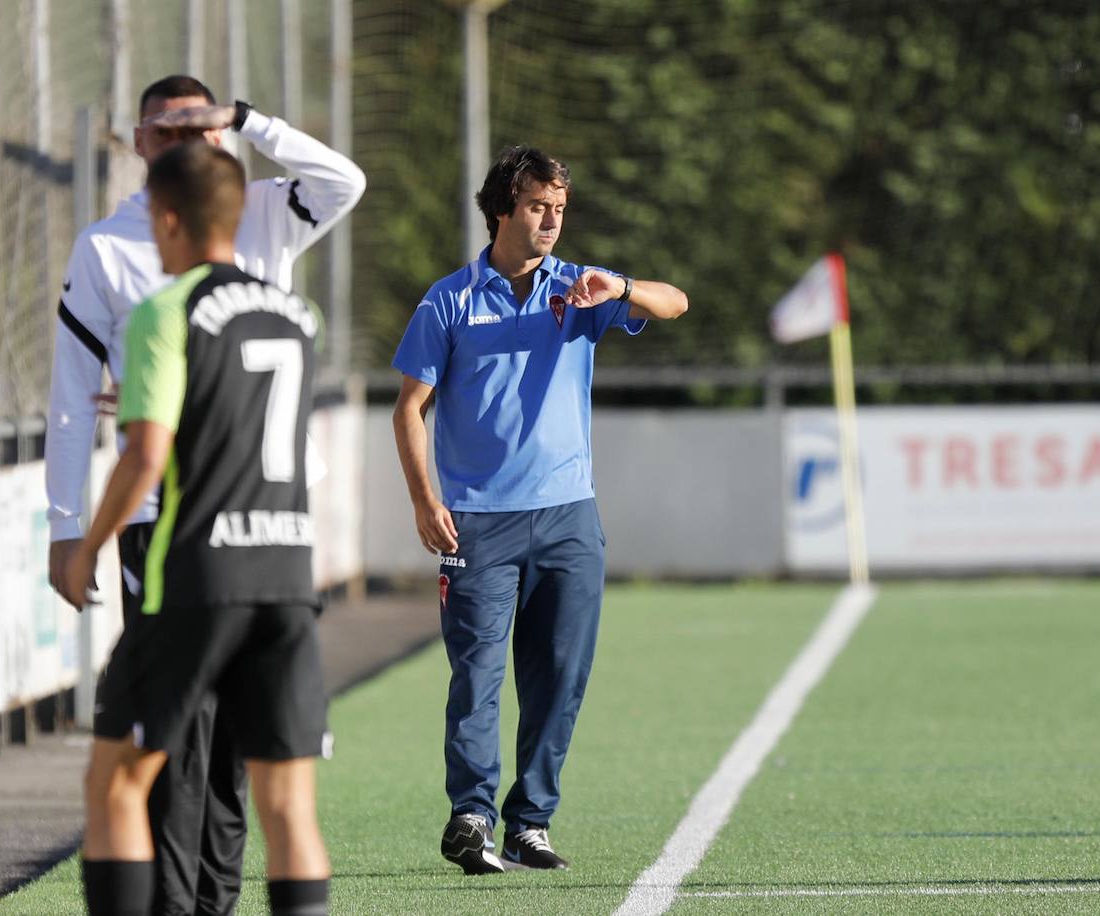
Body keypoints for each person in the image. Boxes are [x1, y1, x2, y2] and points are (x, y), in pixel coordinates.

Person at [44, 75, 363, 915]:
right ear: (139, 141)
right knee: (279, 792)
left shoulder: (169, 307)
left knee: (130, 770)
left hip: (193, 541)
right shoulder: (293, 313)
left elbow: (147, 448)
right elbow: (77, 400)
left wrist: (80, 539)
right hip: (285, 548)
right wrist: (65, 518)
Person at [390, 146, 688, 874]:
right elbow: (408, 409)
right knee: (479, 674)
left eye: (559, 207)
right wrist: (425, 499)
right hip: (477, 523)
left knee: (560, 675)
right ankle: (471, 814)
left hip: (568, 519)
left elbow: (675, 302)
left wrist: (616, 285)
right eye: (535, 206)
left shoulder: (579, 289)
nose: (551, 220)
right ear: (502, 209)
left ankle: (531, 822)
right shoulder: (449, 300)